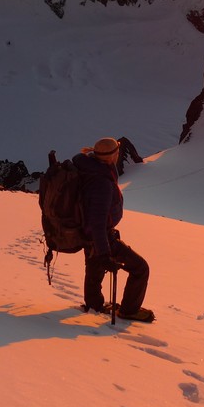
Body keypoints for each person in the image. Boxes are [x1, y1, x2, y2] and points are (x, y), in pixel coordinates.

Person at [73, 137, 154, 322]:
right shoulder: (101, 183)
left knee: (94, 269)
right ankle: (129, 310)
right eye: (117, 152)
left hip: (87, 233)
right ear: (111, 156)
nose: (119, 154)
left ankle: (94, 305)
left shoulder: (90, 168)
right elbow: (98, 222)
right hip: (99, 236)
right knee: (140, 268)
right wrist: (104, 253)